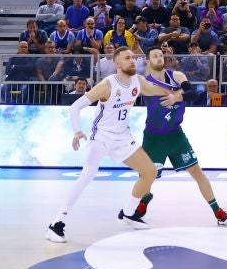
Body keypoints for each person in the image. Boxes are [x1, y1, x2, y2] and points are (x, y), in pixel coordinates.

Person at [44, 46, 157, 241]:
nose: (132, 60)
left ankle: (128, 213)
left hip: (123, 137)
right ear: (117, 63)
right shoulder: (108, 85)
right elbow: (76, 106)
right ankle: (56, 224)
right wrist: (77, 131)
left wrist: (179, 90)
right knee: (86, 176)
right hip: (101, 137)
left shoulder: (138, 81)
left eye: (133, 57)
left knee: (149, 172)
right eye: (127, 58)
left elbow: (156, 89)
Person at [134, 46, 227, 227]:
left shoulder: (177, 76)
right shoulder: (144, 82)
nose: (159, 58)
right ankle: (142, 202)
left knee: (196, 171)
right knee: (147, 177)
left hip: (176, 135)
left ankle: (218, 211)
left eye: (161, 55)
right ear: (148, 61)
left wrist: (176, 98)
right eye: (154, 56)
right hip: (154, 137)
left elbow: (193, 94)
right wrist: (177, 93)